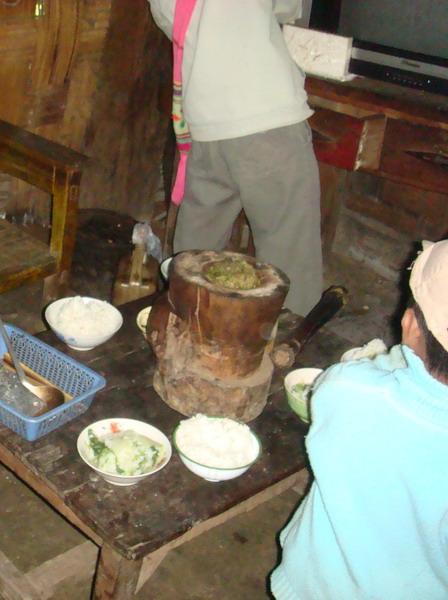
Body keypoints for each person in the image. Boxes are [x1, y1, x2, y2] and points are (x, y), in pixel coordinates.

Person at [271, 239, 448, 599]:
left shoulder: (352, 389)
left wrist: (385, 361)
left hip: (314, 587)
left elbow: (330, 399)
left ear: (411, 325)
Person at [148, 0, 322, 315]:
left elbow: (170, 22)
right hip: (268, 116)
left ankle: (188, 329)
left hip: (206, 121)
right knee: (289, 253)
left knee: (196, 252)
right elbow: (287, 7)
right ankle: (289, 343)